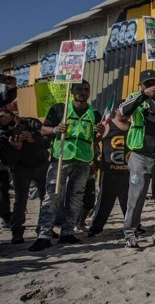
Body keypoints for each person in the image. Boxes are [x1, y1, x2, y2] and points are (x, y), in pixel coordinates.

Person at [29, 80, 104, 251]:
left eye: (86, 89)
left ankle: (67, 232)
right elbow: (43, 129)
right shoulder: (60, 109)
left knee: (75, 197)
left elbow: (94, 139)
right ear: (72, 90)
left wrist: (100, 134)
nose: (83, 92)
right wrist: (56, 129)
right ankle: (44, 234)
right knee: (51, 196)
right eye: (79, 89)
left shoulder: (94, 113)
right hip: (61, 157)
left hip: (83, 159)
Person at [120, 70, 155, 248]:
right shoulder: (134, 98)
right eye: (148, 84)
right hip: (140, 157)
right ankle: (130, 233)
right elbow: (124, 111)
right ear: (141, 86)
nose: (153, 86)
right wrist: (143, 96)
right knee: (136, 198)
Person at [0, 107, 50, 244]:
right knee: (20, 200)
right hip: (20, 168)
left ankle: (44, 228)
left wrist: (33, 139)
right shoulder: (3, 133)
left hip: (40, 164)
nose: (11, 127)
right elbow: (8, 159)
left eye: (3, 117)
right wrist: (16, 148)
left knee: (46, 198)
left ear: (14, 116)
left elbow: (48, 141)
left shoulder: (32, 123)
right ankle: (17, 231)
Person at [88, 104, 132, 237]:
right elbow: (94, 142)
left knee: (129, 201)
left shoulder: (132, 127)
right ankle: (96, 228)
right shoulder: (107, 124)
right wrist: (94, 159)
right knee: (105, 201)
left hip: (128, 171)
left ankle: (132, 225)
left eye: (128, 110)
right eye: (123, 109)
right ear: (116, 110)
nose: (125, 113)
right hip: (109, 171)